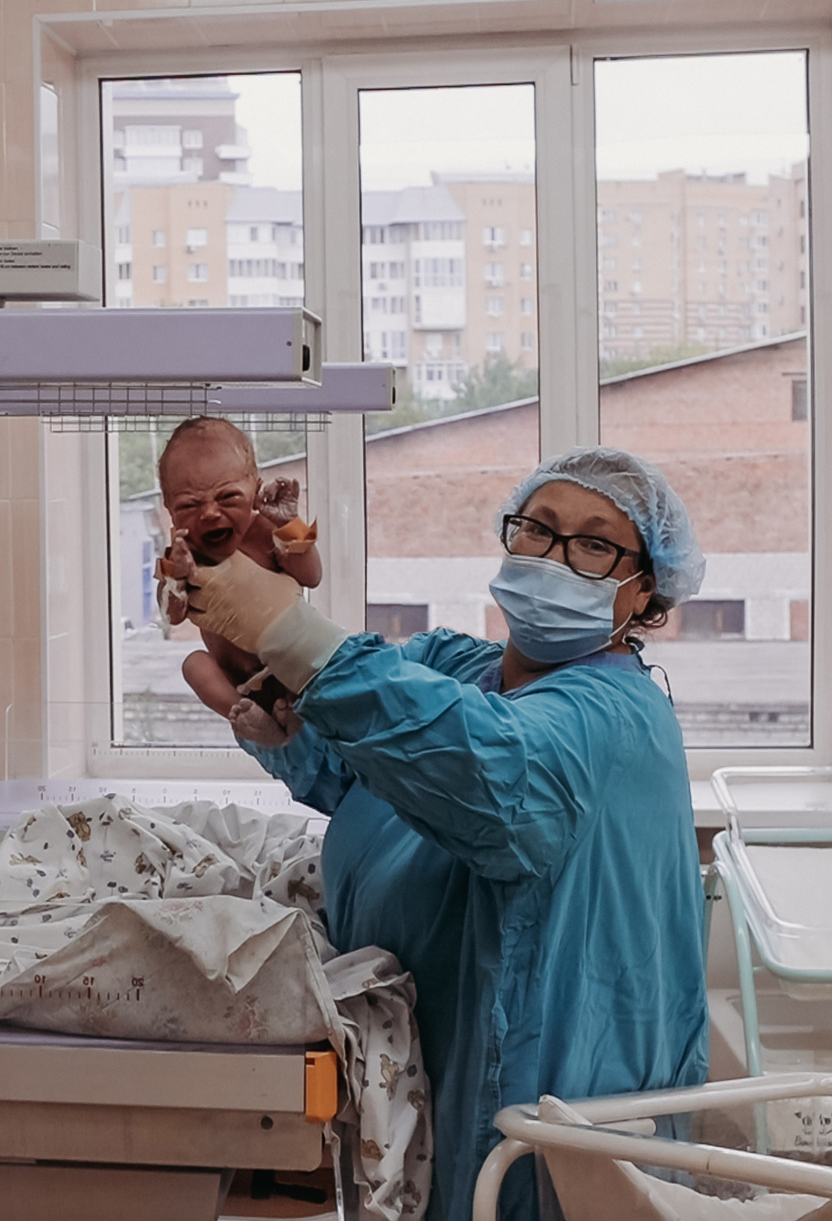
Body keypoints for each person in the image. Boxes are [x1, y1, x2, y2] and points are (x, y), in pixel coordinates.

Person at [168, 447, 709, 1221]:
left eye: (593, 544)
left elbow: (476, 764)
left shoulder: (611, 721)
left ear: (645, 586)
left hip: (540, 1114)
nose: (554, 558)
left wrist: (293, 631)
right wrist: (274, 691)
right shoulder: (460, 667)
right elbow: (374, 753)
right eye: (538, 529)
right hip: (419, 1081)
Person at [154, 417, 321, 718]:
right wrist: (175, 578)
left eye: (228, 497)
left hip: (296, 668)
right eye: (189, 505)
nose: (209, 513)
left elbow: (311, 576)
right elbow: (171, 615)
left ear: (255, 492)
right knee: (194, 665)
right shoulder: (181, 556)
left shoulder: (267, 529)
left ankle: (288, 716)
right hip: (239, 686)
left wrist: (291, 525)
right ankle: (247, 718)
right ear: (169, 508)